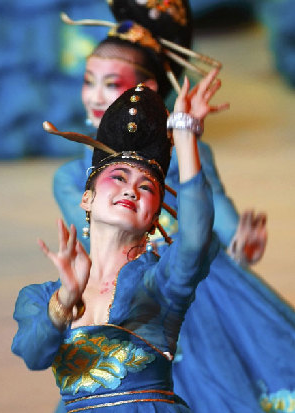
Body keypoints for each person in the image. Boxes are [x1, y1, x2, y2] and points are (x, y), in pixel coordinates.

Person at [50, 0, 295, 413]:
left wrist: (239, 240)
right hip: (132, 303)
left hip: (202, 289)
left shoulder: (186, 154)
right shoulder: (71, 176)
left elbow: (217, 212)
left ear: (149, 93)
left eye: (113, 84)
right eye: (90, 82)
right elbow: (97, 241)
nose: (96, 97)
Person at [12, 75, 225, 412]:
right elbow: (33, 355)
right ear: (86, 198)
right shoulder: (40, 297)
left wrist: (185, 135)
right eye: (119, 178)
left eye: (147, 188)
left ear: (154, 218)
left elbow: (196, 239)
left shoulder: (159, 281)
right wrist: (66, 298)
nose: (131, 190)